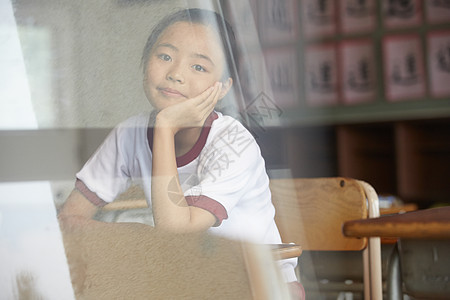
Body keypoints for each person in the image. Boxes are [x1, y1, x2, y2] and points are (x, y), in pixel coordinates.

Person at [58, 8, 304, 299]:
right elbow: (68, 222)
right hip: (189, 280)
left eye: (198, 67)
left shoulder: (234, 143)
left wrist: (165, 128)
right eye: (164, 56)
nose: (175, 74)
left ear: (223, 87)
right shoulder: (130, 134)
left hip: (256, 285)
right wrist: (127, 241)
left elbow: (176, 234)